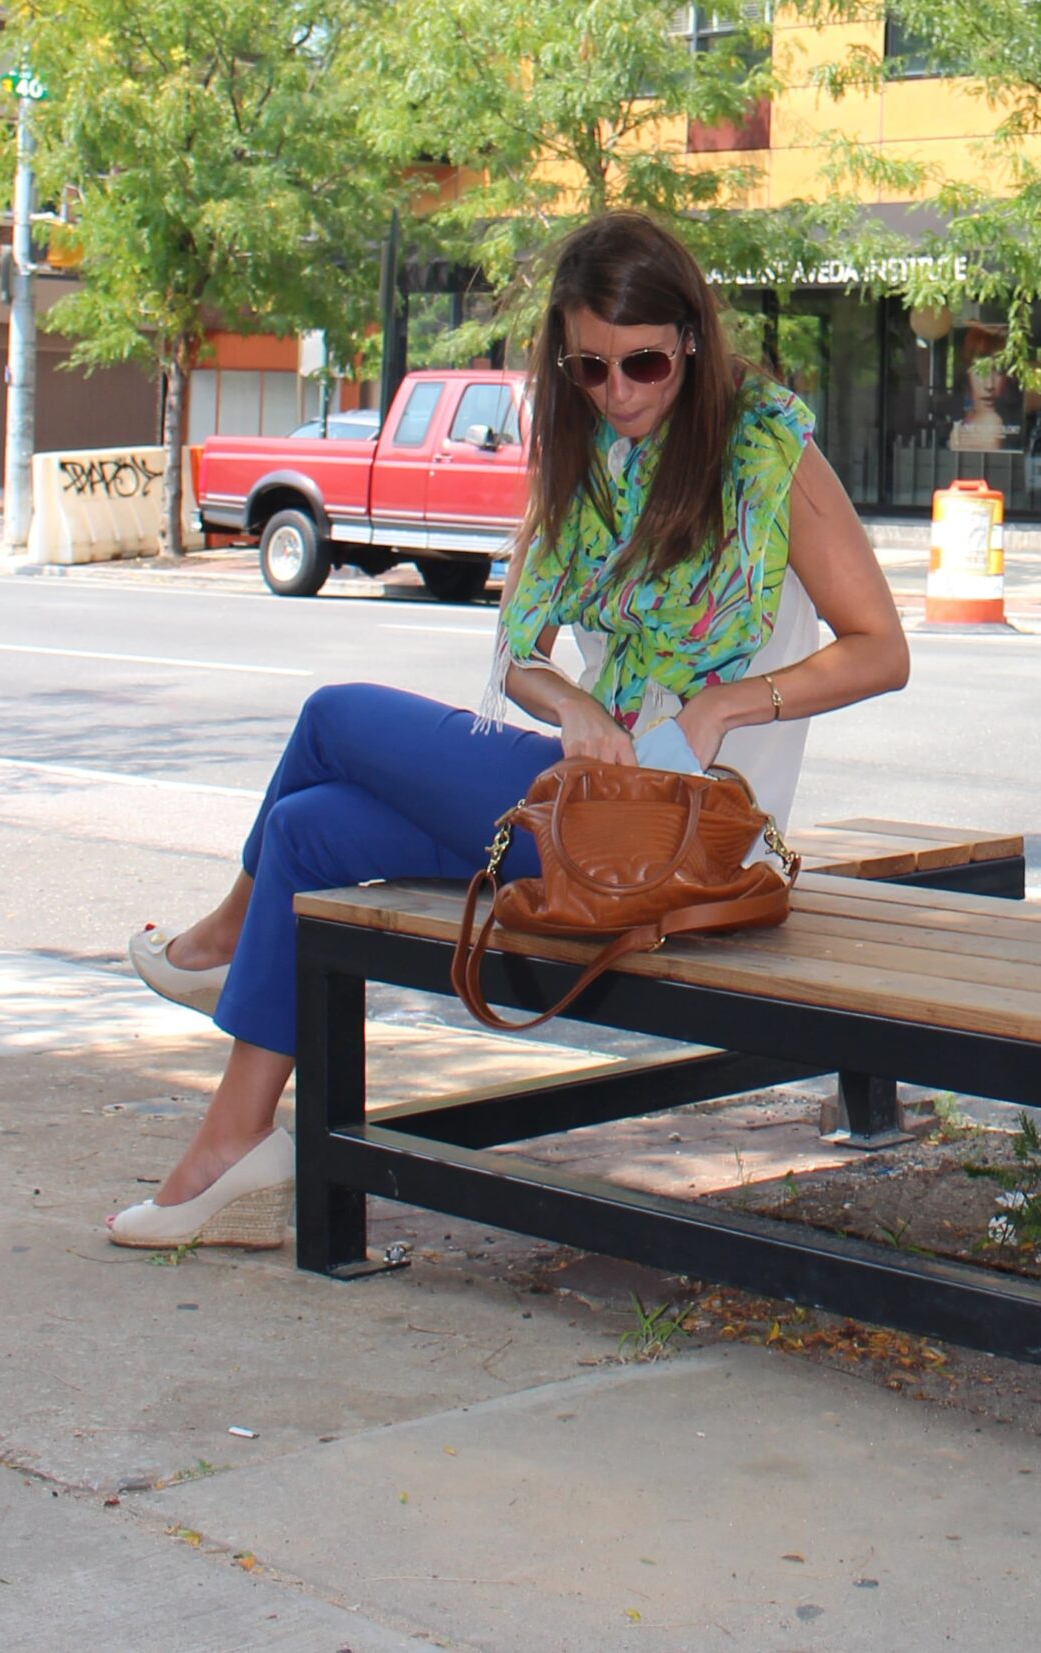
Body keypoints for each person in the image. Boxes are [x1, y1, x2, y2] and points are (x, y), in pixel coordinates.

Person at [114, 211, 909, 1250]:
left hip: (689, 833)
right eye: (589, 367)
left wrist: (721, 706)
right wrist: (573, 703)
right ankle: (234, 1145)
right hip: (580, 804)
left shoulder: (769, 452)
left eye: (644, 363)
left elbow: (881, 650)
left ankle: (219, 941)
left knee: (332, 718)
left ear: (693, 342)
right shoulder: (588, 461)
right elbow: (522, 654)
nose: (619, 391)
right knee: (308, 831)